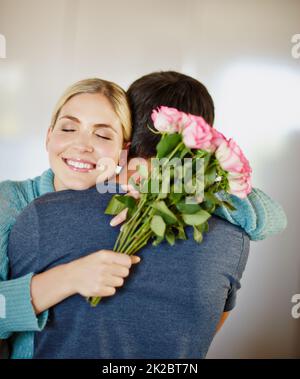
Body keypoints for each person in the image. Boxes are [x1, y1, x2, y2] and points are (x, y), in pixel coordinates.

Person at [5, 71, 287, 358]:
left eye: (103, 133)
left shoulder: (144, 195)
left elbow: (271, 217)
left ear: (124, 144)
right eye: (68, 129)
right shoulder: (19, 206)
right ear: (48, 135)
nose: (82, 145)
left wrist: (179, 184)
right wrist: (68, 278)